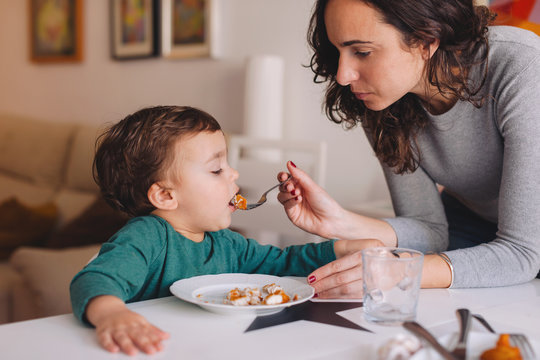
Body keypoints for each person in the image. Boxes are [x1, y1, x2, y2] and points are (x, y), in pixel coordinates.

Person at [277, 0, 540, 297]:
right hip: (472, 224)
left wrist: (398, 270)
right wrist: (340, 221)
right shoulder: (381, 98)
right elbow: (429, 230)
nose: (343, 75)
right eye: (339, 51)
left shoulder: (522, 66)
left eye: (362, 52)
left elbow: (523, 253)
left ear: (427, 41)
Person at [70, 105, 379, 355]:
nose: (233, 173)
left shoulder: (228, 244)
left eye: (227, 164)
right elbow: (95, 278)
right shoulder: (147, 237)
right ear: (165, 196)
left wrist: (340, 248)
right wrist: (111, 314)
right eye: (216, 169)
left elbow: (283, 264)